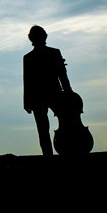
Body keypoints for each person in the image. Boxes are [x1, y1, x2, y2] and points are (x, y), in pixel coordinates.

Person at [23, 25, 72, 157]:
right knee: (65, 124)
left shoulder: (28, 57)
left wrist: (27, 102)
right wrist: (68, 92)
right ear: (45, 36)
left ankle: (48, 155)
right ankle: (66, 151)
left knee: (43, 130)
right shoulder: (54, 52)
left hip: (38, 97)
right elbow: (62, 75)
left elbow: (27, 82)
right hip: (54, 93)